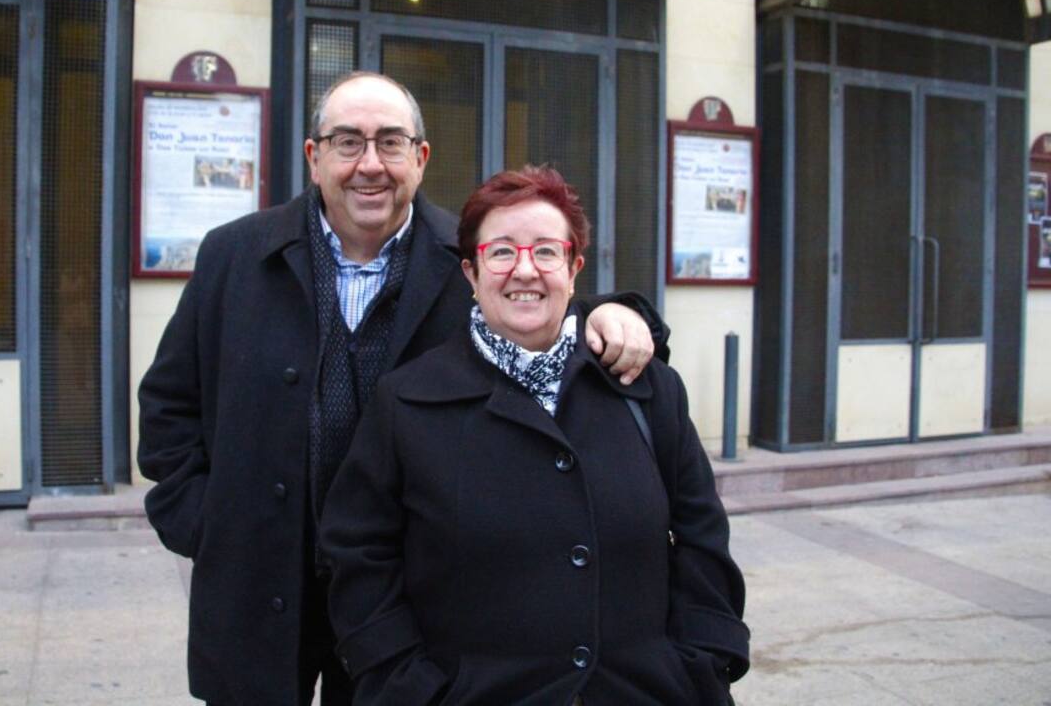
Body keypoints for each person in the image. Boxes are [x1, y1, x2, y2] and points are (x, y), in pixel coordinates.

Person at [137, 72, 669, 706]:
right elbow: (169, 406)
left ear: (420, 158)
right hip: (257, 585)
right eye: (347, 142)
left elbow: (539, 305)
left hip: (404, 603)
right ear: (313, 157)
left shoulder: (465, 261)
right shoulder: (234, 256)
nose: (370, 165)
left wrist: (621, 311)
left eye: (391, 142)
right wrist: (207, 526)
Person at [320, 166, 748, 705]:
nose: (525, 270)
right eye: (501, 252)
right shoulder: (406, 403)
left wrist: (701, 664)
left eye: (546, 251)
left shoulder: (648, 391)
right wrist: (409, 689)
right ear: (472, 273)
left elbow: (703, 542)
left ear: (574, 269)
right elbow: (358, 557)